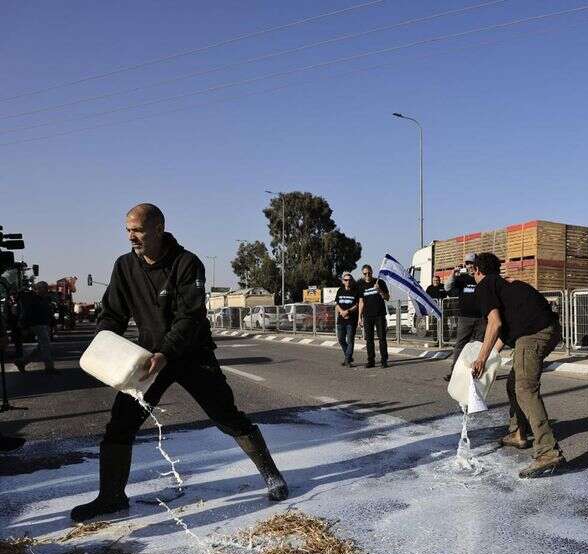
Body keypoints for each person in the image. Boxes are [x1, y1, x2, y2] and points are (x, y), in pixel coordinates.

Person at [71, 203, 288, 522]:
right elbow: (113, 313)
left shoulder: (187, 263)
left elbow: (190, 317)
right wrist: (104, 341)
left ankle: (272, 476)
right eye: (128, 230)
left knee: (227, 417)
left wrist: (166, 353)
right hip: (146, 361)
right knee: (120, 425)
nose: (132, 236)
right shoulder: (124, 266)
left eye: (138, 230)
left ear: (158, 229)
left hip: (191, 355)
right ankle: (111, 497)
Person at [471, 252, 564, 478]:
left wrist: (481, 358)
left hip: (533, 335)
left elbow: (495, 323)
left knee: (524, 388)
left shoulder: (484, 285)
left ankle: (547, 451)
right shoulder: (508, 285)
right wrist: (491, 356)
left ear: (477, 271)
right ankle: (518, 433)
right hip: (548, 330)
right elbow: (504, 332)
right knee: (513, 383)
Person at [444, 253, 485, 381]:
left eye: (471, 263)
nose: (469, 266)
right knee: (460, 344)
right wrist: (453, 274)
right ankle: (454, 371)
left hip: (481, 317)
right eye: (467, 263)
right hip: (465, 317)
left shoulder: (482, 277)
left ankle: (477, 371)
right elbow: (447, 287)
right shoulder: (462, 279)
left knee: (479, 345)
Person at [14, 281, 56, 373]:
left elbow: (48, 313)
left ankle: (22, 362)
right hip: (37, 325)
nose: (45, 290)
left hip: (44, 325)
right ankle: (49, 368)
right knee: (46, 345)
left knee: (41, 347)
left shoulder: (45, 299)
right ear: (37, 289)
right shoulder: (32, 299)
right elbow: (26, 312)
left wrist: (52, 323)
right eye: (43, 288)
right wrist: (23, 325)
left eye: (46, 288)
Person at [357, 264, 390, 369]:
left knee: (382, 338)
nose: (367, 275)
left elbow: (387, 297)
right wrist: (359, 317)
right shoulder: (360, 285)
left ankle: (384, 360)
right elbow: (361, 301)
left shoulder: (379, 282)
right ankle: (371, 360)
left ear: (372, 272)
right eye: (365, 273)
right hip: (367, 316)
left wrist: (379, 290)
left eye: (369, 273)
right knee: (369, 340)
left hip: (379, 315)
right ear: (363, 274)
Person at [334, 272, 360, 367]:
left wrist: (347, 311)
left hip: (351, 320)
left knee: (350, 340)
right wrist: (342, 312)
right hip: (341, 320)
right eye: (346, 280)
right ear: (343, 281)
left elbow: (357, 305)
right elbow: (337, 303)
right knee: (341, 339)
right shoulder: (340, 290)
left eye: (349, 280)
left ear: (352, 281)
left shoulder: (355, 291)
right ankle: (348, 356)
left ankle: (348, 360)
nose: (348, 281)